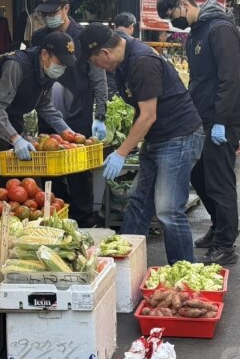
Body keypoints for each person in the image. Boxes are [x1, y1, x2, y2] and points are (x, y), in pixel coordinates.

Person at [78, 23, 203, 264]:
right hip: (158, 137)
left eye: (94, 62)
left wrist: (122, 152)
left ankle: (186, 270)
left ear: (105, 53)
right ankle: (124, 263)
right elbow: (141, 111)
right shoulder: (123, 62)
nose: (97, 67)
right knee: (138, 202)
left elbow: (148, 115)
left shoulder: (142, 62)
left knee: (168, 210)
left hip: (179, 136)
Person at [158, 0, 240, 266]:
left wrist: (220, 120)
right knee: (198, 176)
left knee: (220, 181)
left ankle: (225, 244)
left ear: (184, 5)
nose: (174, 20)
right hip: (200, 118)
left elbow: (230, 79)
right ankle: (219, 227)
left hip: (222, 120)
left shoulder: (220, 29)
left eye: (173, 13)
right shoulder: (196, 32)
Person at [30, 0, 108, 227]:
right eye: (45, 14)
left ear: (66, 9)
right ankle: (56, 220)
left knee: (78, 175)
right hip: (47, 116)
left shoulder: (83, 38)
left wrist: (100, 115)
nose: (49, 18)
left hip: (77, 117)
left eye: (53, 12)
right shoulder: (38, 38)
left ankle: (85, 222)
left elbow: (98, 78)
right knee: (50, 173)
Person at [0, 31, 78, 189]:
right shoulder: (17, 65)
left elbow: (45, 106)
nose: (62, 68)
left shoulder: (47, 72)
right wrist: (15, 138)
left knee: (26, 182)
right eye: (60, 62)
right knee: (6, 184)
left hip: (11, 119)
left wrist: (67, 132)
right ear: (45, 54)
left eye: (65, 64)